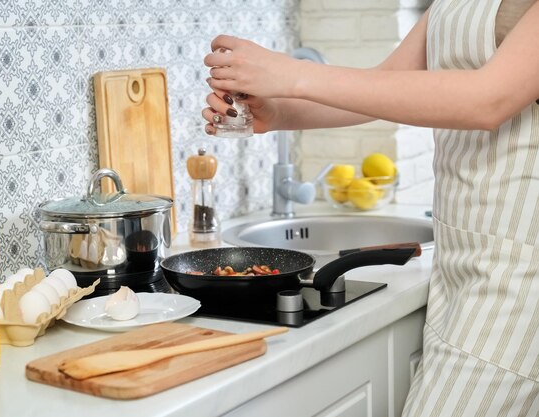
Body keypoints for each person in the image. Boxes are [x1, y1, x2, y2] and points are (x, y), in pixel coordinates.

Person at [202, 0, 539, 416]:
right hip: (462, 267)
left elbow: (488, 99)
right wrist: (279, 111)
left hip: (523, 271)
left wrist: (293, 75)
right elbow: (387, 83)